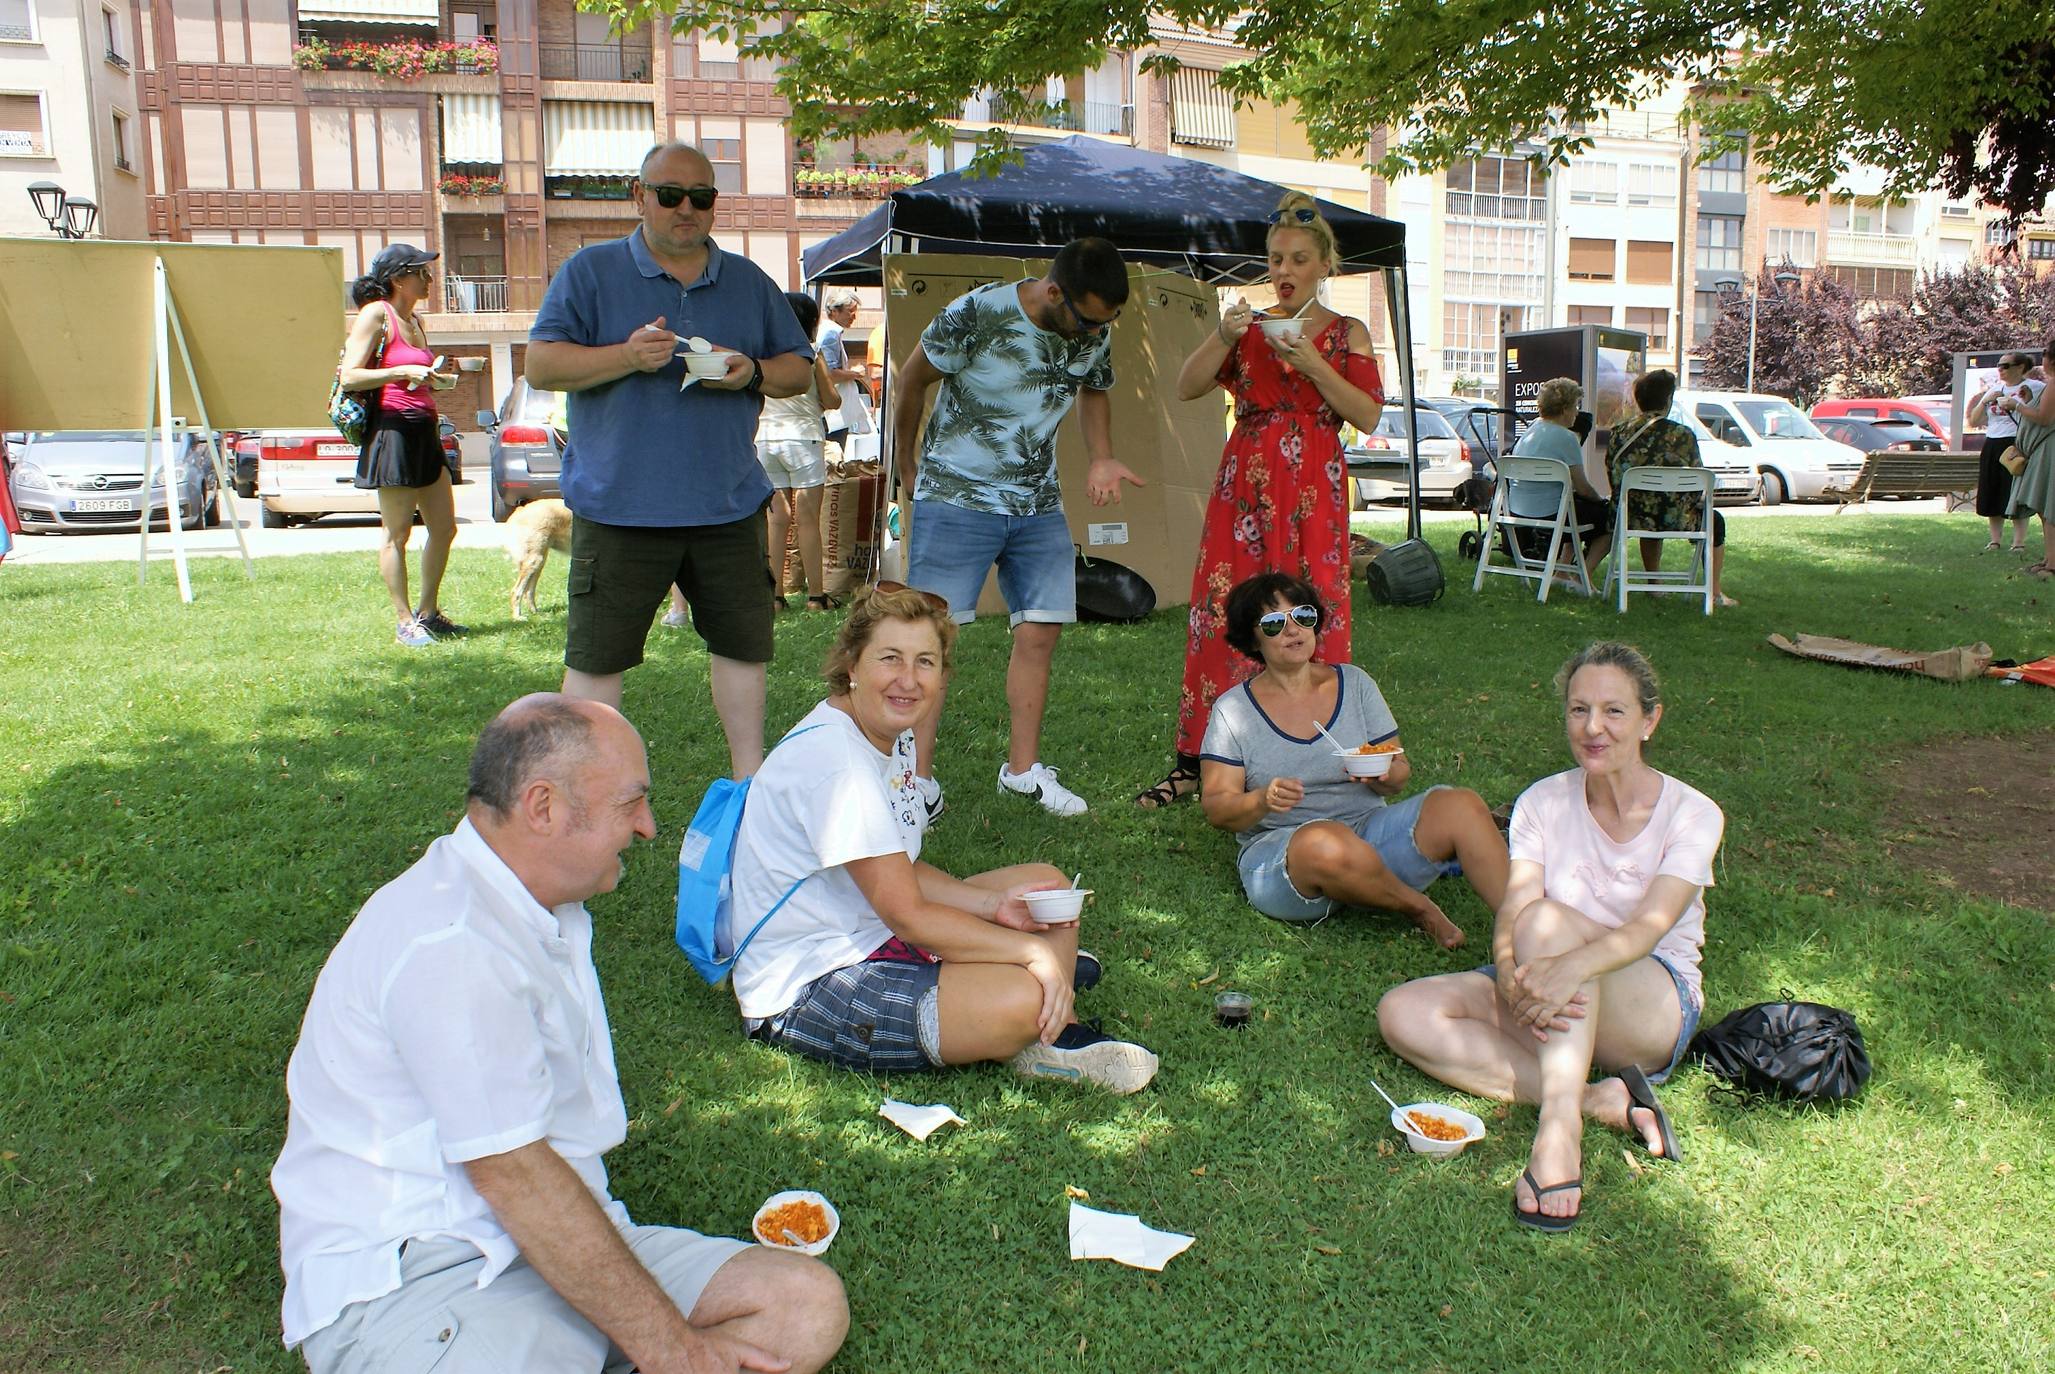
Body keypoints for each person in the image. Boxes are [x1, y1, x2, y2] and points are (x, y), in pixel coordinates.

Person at [271, 694, 849, 1372]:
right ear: (542, 807)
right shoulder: (451, 944)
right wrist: (674, 1349)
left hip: (553, 1234)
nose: (649, 828)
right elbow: (512, 1176)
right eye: (629, 803)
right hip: (418, 1275)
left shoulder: (541, 903)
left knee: (802, 1308)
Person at [726, 584, 1159, 1094]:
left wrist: (993, 904)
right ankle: (1042, 1027)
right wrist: (1031, 954)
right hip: (809, 984)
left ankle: (1030, 1003)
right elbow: (908, 913)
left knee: (1046, 888)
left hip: (870, 928)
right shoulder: (837, 765)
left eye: (925, 662)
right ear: (852, 666)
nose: (908, 680)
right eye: (890, 659)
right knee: (1024, 987)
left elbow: (900, 869)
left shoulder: (889, 733)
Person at [1376, 642, 1723, 1232]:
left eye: (1614, 712)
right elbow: (1515, 901)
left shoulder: (1692, 813)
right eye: (1578, 709)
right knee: (1403, 1011)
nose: (1593, 728)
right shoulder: (1542, 800)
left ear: (1649, 720)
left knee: (1547, 921)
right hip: (1549, 975)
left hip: (1650, 1000)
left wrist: (1568, 965)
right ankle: (1601, 1100)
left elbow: (1649, 927)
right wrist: (1508, 967)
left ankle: (1559, 1134)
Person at [526, 141, 815, 777]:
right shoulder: (590, 272)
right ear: (639, 196)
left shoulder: (747, 281)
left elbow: (798, 370)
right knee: (598, 659)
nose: (687, 208)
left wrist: (751, 373)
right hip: (620, 506)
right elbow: (542, 364)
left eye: (702, 197)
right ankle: (587, 788)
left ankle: (749, 779)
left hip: (727, 503)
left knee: (743, 648)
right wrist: (625, 357)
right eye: (670, 195)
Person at [1137, 192, 1387, 811]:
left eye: (1299, 259)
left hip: (1313, 488)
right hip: (1244, 482)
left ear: (1324, 265)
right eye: (1276, 259)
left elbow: (1365, 412)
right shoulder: (1248, 329)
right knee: (1225, 609)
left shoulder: (1346, 334)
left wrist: (1312, 365)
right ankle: (1200, 759)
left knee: (1312, 606)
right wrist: (1222, 335)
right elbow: (1188, 385)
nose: (1285, 270)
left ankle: (1314, 750)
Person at [891, 237, 1147, 819]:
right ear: (1054, 291)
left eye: (1104, 324)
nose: (1092, 334)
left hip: (1037, 504)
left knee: (1041, 631)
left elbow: (1095, 388)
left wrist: (1101, 454)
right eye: (1086, 320)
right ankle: (915, 785)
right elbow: (911, 380)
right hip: (955, 496)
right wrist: (907, 467)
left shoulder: (1093, 327)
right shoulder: (979, 313)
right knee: (928, 640)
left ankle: (1023, 772)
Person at [1198, 571, 1508, 950]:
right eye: (1275, 623)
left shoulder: (1355, 683)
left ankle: (1522, 924)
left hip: (1368, 832)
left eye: (1304, 616)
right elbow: (1216, 808)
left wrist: (1382, 774)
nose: (1293, 630)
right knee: (1321, 840)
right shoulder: (1233, 710)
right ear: (1253, 638)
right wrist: (1261, 800)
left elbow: (1399, 774)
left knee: (1460, 804)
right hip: (1288, 856)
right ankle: (1417, 906)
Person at [665, 291, 835, 624]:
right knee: (808, 518)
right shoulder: (809, 355)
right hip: (804, 438)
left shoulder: (760, 355)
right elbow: (831, 399)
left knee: (776, 519)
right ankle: (816, 596)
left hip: (765, 438)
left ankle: (774, 596)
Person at [337, 244, 461, 648]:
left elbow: (414, 372)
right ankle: (404, 621)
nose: (429, 279)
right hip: (392, 431)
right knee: (397, 533)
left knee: (444, 528)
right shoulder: (377, 314)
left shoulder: (417, 320)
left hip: (425, 429)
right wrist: (401, 370)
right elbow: (350, 376)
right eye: (422, 272)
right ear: (397, 278)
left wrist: (432, 378)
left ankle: (429, 612)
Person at [1605, 369, 1735, 608]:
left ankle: (1653, 583)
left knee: (1649, 515)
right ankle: (1715, 592)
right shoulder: (1682, 435)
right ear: (1668, 400)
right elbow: (1699, 481)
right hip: (1677, 517)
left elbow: (1613, 476)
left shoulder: (1619, 433)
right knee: (1714, 520)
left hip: (1629, 516)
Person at [1507, 376, 1613, 584]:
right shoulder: (1566, 438)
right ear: (1565, 409)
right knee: (1611, 517)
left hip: (1517, 509)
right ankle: (1582, 575)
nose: (1577, 412)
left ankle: (1562, 572)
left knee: (1575, 507)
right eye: (1575, 406)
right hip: (1551, 513)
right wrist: (1602, 500)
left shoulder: (1531, 431)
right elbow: (1583, 488)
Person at [1992, 340, 2055, 578]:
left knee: (2049, 508)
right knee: (2044, 507)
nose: (2043, 360)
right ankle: (2049, 558)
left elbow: (2044, 418)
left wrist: (2017, 405)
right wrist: (2029, 402)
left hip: (2048, 450)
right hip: (2041, 448)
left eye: (2045, 355)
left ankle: (2052, 565)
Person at [1966, 353, 2037, 555]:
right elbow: (1974, 421)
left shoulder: (2034, 387)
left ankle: (2018, 542)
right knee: (1992, 489)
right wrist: (1985, 400)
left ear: (2020, 367)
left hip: (2016, 442)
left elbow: (2040, 416)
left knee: (2014, 491)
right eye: (1999, 365)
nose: (2001, 369)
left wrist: (2019, 404)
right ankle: (1995, 540)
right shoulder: (1995, 389)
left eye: (2006, 365)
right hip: (1993, 442)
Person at [817, 288, 872, 454]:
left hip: (834, 411)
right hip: (833, 413)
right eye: (850, 312)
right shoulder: (830, 334)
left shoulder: (830, 332)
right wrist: (855, 373)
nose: (854, 316)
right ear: (834, 311)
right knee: (834, 459)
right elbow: (830, 374)